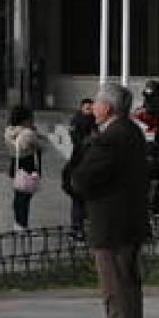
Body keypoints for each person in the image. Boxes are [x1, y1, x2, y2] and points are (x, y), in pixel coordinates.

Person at [70, 84, 150, 318]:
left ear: (108, 106)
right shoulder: (133, 132)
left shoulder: (110, 138)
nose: (93, 107)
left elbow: (81, 179)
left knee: (114, 286)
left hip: (111, 224)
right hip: (131, 220)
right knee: (128, 283)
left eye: (96, 102)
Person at [64, 98, 97, 236]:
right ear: (81, 108)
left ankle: (79, 227)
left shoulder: (94, 122)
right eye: (87, 108)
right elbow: (75, 139)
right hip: (80, 163)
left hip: (87, 164)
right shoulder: (77, 121)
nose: (89, 111)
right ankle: (78, 228)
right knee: (79, 199)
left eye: (91, 108)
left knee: (82, 200)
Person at [4, 105, 40, 232]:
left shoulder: (9, 131)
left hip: (15, 165)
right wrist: (34, 132)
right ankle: (22, 224)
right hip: (27, 166)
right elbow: (37, 146)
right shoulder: (28, 133)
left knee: (18, 195)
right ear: (25, 119)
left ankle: (17, 222)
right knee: (25, 198)